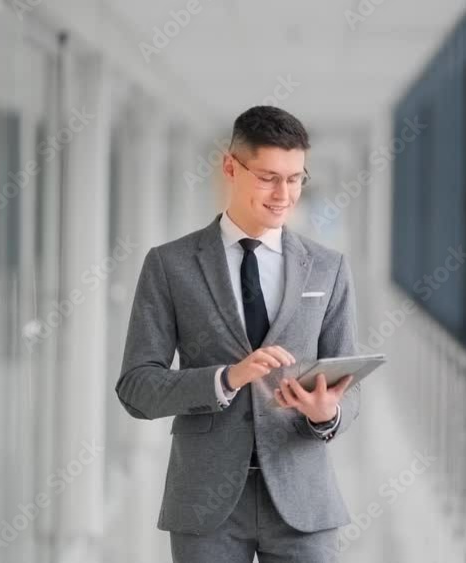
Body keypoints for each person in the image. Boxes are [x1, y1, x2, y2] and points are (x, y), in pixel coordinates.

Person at [115, 105, 361, 562]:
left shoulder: (328, 268)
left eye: (295, 179)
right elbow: (136, 388)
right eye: (268, 178)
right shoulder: (170, 265)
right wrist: (225, 378)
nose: (284, 194)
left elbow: (350, 387)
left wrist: (327, 414)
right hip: (205, 504)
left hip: (303, 500)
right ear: (231, 167)